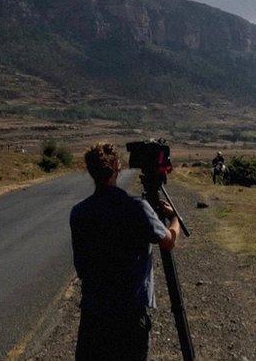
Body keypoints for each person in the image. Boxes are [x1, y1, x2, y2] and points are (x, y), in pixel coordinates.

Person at [70, 142, 181, 361]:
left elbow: (82, 265)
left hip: (93, 313)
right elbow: (167, 242)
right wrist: (174, 219)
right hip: (128, 314)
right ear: (118, 168)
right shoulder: (137, 207)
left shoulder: (79, 212)